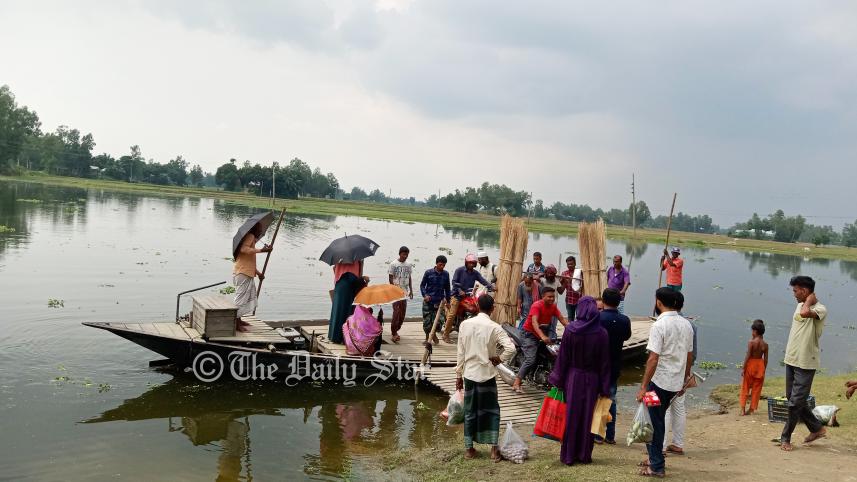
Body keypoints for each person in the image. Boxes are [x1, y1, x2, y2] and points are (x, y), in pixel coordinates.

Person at [636, 288, 694, 478]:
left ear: (659, 302)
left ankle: (657, 466)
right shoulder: (686, 324)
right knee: (655, 419)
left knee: (654, 422)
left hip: (658, 383)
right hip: (675, 383)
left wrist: (643, 386)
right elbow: (689, 356)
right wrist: (685, 379)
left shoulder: (659, 325)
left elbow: (653, 358)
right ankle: (654, 458)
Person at [547, 296, 611, 465]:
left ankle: (568, 455)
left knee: (571, 415)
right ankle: (584, 455)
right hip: (592, 379)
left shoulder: (570, 330)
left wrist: (558, 380)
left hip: (573, 378)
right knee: (588, 416)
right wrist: (605, 388)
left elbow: (563, 358)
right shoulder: (602, 333)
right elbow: (604, 363)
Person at [455, 294, 516, 461]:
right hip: (487, 374)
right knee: (491, 411)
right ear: (492, 309)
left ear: (477, 306)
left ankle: (469, 449)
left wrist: (458, 375)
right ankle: (494, 450)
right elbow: (511, 348)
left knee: (470, 411)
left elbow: (460, 352)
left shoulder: (465, 324)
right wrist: (500, 359)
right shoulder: (494, 327)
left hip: (469, 374)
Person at [780, 275, 827, 452]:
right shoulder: (799, 304)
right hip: (792, 359)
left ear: (805, 291)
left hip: (806, 362)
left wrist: (809, 301)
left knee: (795, 402)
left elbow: (806, 313)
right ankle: (817, 428)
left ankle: (785, 438)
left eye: (796, 291)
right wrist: (805, 301)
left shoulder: (820, 309)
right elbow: (802, 312)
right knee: (792, 398)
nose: (794, 294)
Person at [512, 287, 568, 393]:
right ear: (543, 296)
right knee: (530, 360)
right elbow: (534, 322)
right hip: (529, 334)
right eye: (549, 297)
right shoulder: (537, 305)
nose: (552, 299)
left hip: (542, 333)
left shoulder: (553, 307)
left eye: (553, 297)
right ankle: (516, 382)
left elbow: (562, 319)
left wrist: (572, 329)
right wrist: (542, 336)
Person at [593, 288, 631, 445]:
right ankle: (610, 435)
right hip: (615, 364)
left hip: (598, 365)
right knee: (611, 399)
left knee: (598, 399)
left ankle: (598, 435)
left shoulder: (597, 318)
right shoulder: (625, 320)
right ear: (619, 302)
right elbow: (627, 336)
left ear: (603, 301)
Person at [662, 291, 697, 456]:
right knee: (679, 408)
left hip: (666, 374)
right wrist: (686, 374)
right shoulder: (690, 325)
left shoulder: (663, 323)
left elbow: (656, 355)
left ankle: (661, 446)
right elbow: (692, 354)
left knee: (664, 409)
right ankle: (678, 443)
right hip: (682, 372)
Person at [442, 254, 494, 344]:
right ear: (466, 263)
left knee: (477, 310)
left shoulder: (475, 273)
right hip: (457, 296)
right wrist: (459, 290)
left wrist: (491, 287)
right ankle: (445, 334)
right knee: (452, 315)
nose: (471, 265)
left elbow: (482, 280)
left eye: (473, 263)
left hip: (467, 296)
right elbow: (454, 282)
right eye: (470, 263)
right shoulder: (459, 270)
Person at [232, 224, 272, 331]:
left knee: (244, 298)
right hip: (243, 273)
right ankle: (235, 323)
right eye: (259, 229)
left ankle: (239, 320)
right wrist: (261, 250)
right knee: (241, 299)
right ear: (255, 229)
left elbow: (249, 262)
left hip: (244, 272)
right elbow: (243, 249)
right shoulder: (250, 236)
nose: (261, 231)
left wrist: (259, 274)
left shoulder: (251, 239)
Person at [328, 260, 368, 344]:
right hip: (351, 282)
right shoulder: (357, 256)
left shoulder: (339, 255)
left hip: (339, 283)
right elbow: (359, 274)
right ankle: (345, 337)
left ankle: (334, 336)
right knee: (348, 311)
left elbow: (334, 268)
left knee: (338, 310)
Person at [419, 255, 451, 344]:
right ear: (436, 263)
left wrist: (448, 301)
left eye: (444, 265)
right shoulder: (428, 273)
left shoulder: (446, 274)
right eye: (440, 265)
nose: (442, 267)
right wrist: (425, 295)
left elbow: (447, 289)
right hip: (428, 301)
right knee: (427, 322)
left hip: (439, 302)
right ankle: (427, 338)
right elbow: (422, 285)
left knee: (439, 322)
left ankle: (433, 334)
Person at [740, 319, 769, 416]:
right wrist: (763, 369)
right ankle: (752, 409)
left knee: (745, 387)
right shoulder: (765, 345)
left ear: (755, 331)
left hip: (751, 365)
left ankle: (742, 409)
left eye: (752, 331)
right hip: (760, 365)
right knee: (756, 389)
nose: (751, 332)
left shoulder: (751, 342)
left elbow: (748, 356)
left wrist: (743, 368)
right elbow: (766, 360)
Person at [388, 246, 413, 343]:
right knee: (396, 312)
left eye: (407, 254)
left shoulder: (409, 265)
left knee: (402, 313)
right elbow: (390, 278)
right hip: (395, 292)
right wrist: (393, 289)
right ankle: (394, 333)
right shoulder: (393, 264)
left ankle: (396, 330)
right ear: (400, 254)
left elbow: (409, 277)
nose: (405, 256)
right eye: (403, 254)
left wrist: (411, 290)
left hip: (404, 292)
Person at [540, 265, 563, 340]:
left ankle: (552, 339)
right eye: (548, 273)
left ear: (554, 274)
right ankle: (543, 338)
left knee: (553, 325)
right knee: (544, 325)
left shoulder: (556, 281)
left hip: (553, 307)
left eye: (552, 273)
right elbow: (534, 278)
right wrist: (539, 275)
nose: (550, 275)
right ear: (545, 274)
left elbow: (561, 291)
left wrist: (564, 282)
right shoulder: (542, 280)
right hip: (544, 307)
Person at [560, 256, 583, 320]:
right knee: (570, 318)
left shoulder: (580, 272)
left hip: (579, 300)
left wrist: (571, 281)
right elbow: (561, 290)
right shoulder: (564, 273)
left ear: (575, 263)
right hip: (569, 299)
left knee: (579, 317)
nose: (570, 266)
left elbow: (582, 286)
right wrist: (562, 281)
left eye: (571, 264)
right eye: (568, 264)